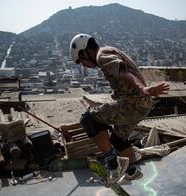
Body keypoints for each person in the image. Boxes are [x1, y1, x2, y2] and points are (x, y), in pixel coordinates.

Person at [69, 33, 169, 182]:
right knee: (117, 139)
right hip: (142, 106)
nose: (85, 66)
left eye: (82, 61)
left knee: (88, 119)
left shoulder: (101, 56)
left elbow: (123, 73)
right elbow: (122, 75)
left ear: (85, 52)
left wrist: (143, 89)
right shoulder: (108, 51)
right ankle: (130, 170)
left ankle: (113, 164)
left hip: (132, 104)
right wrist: (117, 93)